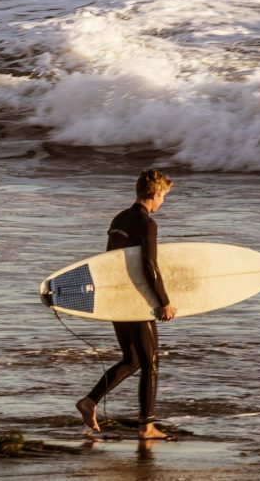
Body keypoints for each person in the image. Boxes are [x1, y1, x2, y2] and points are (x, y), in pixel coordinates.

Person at [76, 169, 175, 440]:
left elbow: (110, 261)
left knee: (132, 360)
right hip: (134, 300)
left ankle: (89, 401)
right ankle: (147, 425)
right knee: (150, 363)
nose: (163, 202)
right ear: (154, 194)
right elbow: (149, 266)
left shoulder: (120, 218)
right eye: (164, 196)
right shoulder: (147, 224)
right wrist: (163, 302)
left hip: (114, 297)